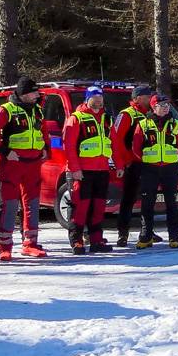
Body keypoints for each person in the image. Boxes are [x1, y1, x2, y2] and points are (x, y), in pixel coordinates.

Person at [0, 77, 49, 261]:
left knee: (33, 203)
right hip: (13, 162)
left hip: (33, 162)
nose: (37, 95)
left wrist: (45, 148)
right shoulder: (5, 110)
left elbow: (41, 131)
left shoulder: (37, 110)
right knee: (9, 203)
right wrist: (4, 152)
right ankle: (4, 245)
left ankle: (30, 244)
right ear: (24, 93)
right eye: (34, 92)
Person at [63, 86, 114, 254]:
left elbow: (113, 142)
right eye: (94, 97)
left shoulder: (107, 118)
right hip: (82, 171)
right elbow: (69, 146)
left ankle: (96, 240)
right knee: (81, 206)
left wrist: (118, 164)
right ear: (87, 99)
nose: (99, 100)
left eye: (100, 97)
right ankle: (76, 240)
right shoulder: (77, 118)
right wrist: (75, 169)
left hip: (102, 169)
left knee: (99, 207)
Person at [131, 94, 178, 249]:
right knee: (147, 203)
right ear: (153, 107)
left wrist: (171, 158)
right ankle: (146, 236)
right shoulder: (143, 124)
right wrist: (148, 159)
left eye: (167, 105)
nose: (165, 108)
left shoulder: (175, 124)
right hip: (150, 168)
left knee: (171, 203)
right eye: (162, 105)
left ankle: (174, 237)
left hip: (170, 167)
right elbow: (136, 147)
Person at [110, 85, 156, 248]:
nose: (149, 99)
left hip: (149, 162)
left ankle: (147, 231)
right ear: (137, 98)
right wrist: (124, 162)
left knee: (148, 197)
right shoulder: (126, 114)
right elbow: (116, 140)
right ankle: (123, 233)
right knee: (129, 199)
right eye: (146, 96)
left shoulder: (150, 114)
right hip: (133, 163)